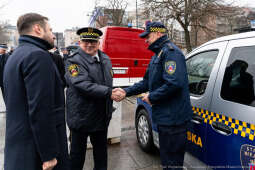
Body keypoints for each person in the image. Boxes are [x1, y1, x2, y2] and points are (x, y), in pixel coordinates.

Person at [114, 21, 193, 170]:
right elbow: (146, 82)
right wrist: (126, 91)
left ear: (158, 34)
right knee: (167, 161)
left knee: (173, 163)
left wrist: (152, 97)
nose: (146, 40)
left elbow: (174, 83)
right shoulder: (158, 54)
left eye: (148, 36)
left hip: (174, 121)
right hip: (165, 118)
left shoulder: (171, 53)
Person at [3, 13, 69, 170]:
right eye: (50, 30)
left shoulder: (16, 55)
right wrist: (49, 155)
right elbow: (41, 110)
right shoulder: (38, 56)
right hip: (36, 154)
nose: (53, 35)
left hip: (20, 149)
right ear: (38, 29)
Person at [65, 27, 121, 170]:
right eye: (86, 41)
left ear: (98, 42)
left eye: (93, 41)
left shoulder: (105, 59)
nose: (90, 44)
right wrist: (109, 92)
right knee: (77, 156)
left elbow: (108, 82)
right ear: (79, 42)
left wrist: (116, 92)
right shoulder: (73, 61)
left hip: (101, 116)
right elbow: (82, 84)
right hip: (81, 117)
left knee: (101, 154)